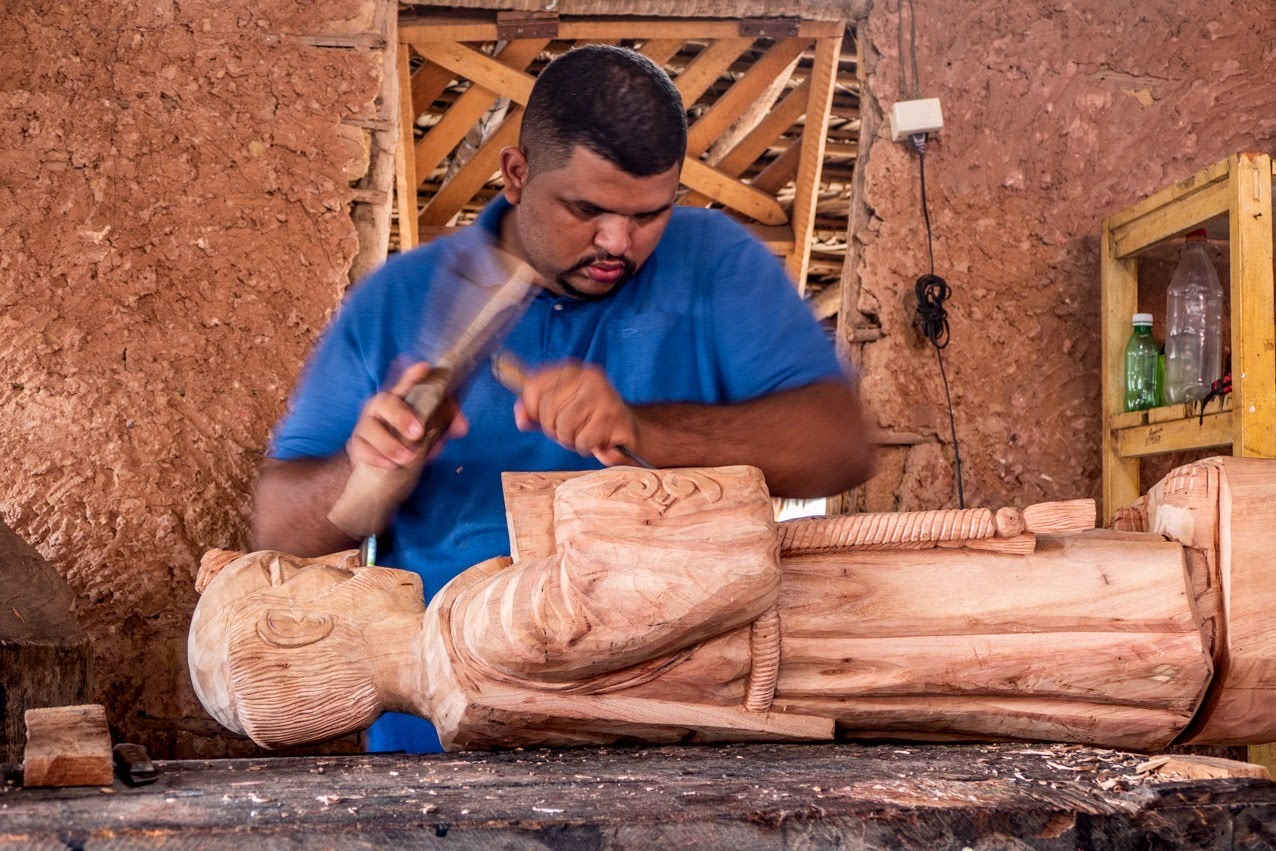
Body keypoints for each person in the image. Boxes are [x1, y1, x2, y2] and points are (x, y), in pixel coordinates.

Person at [250, 45, 872, 752]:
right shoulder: (400, 298)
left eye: (648, 214)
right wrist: (365, 475)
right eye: (587, 208)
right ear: (516, 173)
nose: (617, 241)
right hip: (445, 743)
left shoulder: (717, 264)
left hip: (682, 737)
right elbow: (278, 531)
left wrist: (646, 429)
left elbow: (840, 446)